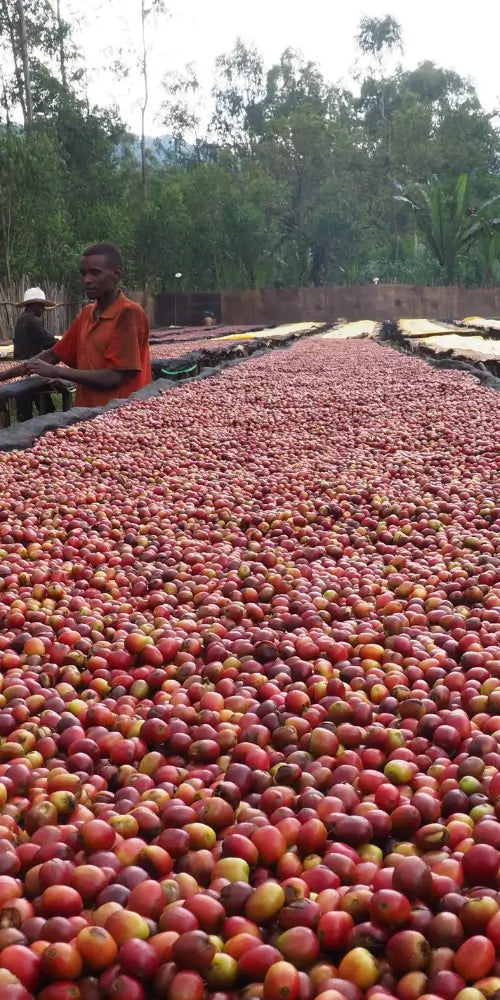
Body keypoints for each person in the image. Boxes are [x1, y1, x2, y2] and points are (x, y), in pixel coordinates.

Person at [0, 243, 152, 409]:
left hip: (120, 415)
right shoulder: (87, 314)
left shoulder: (129, 313)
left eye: (95, 273)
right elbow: (53, 354)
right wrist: (4, 375)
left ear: (117, 274)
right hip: (87, 413)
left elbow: (114, 377)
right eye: (83, 273)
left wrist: (57, 372)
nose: (86, 280)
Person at [12, 287, 57, 422]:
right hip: (33, 368)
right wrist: (62, 343)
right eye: (42, 305)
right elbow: (49, 341)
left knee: (24, 411)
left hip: (20, 369)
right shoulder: (33, 321)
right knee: (47, 409)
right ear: (34, 304)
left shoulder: (21, 320)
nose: (43, 309)